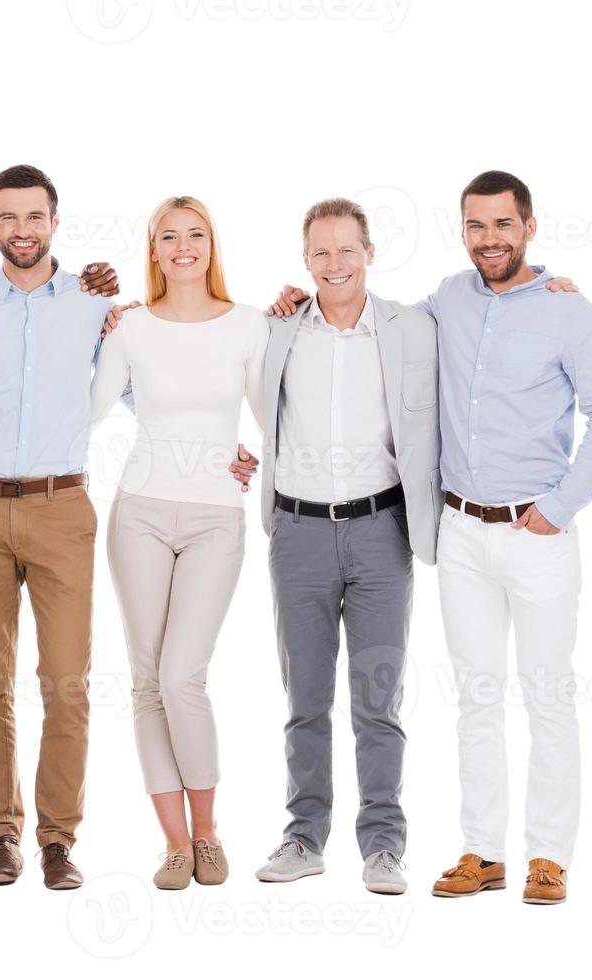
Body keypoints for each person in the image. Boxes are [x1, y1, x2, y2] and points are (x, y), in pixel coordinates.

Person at [266, 171, 592, 906]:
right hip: (457, 530)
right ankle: (481, 851)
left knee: (547, 693)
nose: (489, 239)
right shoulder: (442, 306)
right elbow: (368, 318)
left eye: (502, 225)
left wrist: (559, 505)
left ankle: (548, 856)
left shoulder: (571, 313)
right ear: (462, 232)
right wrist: (290, 302)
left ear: (527, 225)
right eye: (475, 227)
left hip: (538, 532)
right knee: (477, 697)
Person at [0, 165, 123, 890]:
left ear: (54, 221)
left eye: (34, 217)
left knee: (66, 683)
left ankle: (56, 840)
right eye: (8, 217)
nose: (21, 230)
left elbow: (142, 389)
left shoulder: (91, 301)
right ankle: (1, 835)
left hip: (60, 507)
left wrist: (222, 449)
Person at [244, 198, 440, 896]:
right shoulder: (277, 330)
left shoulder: (411, 328)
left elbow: (484, 313)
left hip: (380, 532)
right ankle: (303, 837)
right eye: (320, 253)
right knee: (303, 698)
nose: (333, 265)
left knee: (376, 699)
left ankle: (383, 845)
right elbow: (201, 377)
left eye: (345, 250)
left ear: (368, 252)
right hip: (296, 533)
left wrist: (547, 281)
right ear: (304, 260)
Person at [87, 195, 266, 890]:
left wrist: (258, 463)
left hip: (216, 513)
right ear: (154, 251)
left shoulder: (249, 325)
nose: (183, 246)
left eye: (195, 235)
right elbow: (91, 408)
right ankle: (172, 844)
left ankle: (208, 831)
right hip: (140, 510)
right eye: (169, 236)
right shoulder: (130, 326)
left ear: (210, 246)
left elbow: (271, 418)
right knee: (145, 680)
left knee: (180, 676)